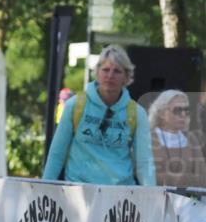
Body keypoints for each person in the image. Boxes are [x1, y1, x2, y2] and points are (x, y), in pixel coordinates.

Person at [42, 45, 155, 186]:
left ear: (126, 77)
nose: (110, 75)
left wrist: (152, 197)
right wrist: (44, 189)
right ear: (97, 72)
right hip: (78, 192)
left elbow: (144, 162)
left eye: (117, 71)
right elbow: (57, 154)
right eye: (106, 70)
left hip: (120, 195)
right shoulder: (74, 105)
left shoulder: (137, 113)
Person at [148, 89, 206, 188]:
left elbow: (203, 177)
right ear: (162, 113)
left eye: (186, 110)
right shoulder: (148, 138)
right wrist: (175, 179)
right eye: (178, 110)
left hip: (189, 199)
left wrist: (184, 179)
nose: (183, 115)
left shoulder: (191, 139)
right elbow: (143, 173)